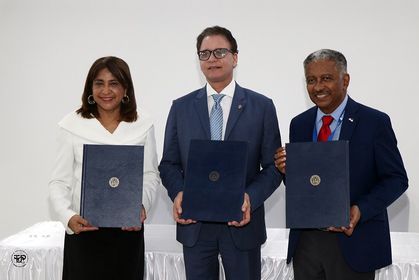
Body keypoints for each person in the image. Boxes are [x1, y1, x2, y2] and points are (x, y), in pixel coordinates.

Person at [159, 26, 282, 280]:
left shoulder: (261, 107)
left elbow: (273, 168)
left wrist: (250, 197)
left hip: (242, 223)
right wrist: (179, 192)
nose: (212, 59)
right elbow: (169, 164)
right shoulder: (181, 108)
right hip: (195, 226)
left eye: (219, 52)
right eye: (204, 54)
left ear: (235, 57)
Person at [275, 49, 408, 280]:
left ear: (345, 80)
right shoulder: (300, 124)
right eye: (311, 80)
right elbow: (307, 183)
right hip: (306, 244)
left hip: (355, 242)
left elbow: (396, 179)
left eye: (326, 78)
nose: (318, 87)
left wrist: (360, 210)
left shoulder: (374, 122)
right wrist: (288, 170)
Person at [48, 56, 160, 280]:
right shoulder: (71, 125)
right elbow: (58, 182)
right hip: (84, 231)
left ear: (125, 88)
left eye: (114, 83)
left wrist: (141, 206)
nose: (106, 90)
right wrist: (69, 217)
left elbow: (150, 175)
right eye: (99, 83)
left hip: (127, 233)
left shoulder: (143, 124)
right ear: (90, 88)